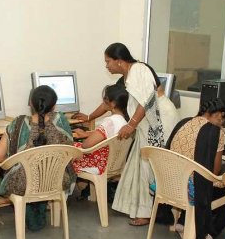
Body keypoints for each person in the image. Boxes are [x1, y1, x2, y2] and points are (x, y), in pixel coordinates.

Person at [74, 42, 179, 226]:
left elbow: (147, 100)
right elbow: (109, 102)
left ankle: (151, 213)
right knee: (141, 165)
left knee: (150, 165)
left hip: (159, 119)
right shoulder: (126, 76)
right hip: (146, 122)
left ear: (119, 61)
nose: (106, 66)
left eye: (108, 61)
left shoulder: (138, 70)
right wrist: (90, 116)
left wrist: (131, 124)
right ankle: (146, 210)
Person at [0, 85, 76, 231]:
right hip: (57, 180)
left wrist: (14, 161)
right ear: (54, 105)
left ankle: (31, 214)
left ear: (30, 103)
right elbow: (71, 150)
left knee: (6, 170)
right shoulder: (61, 121)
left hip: (23, 185)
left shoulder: (17, 124)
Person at [165, 98, 225, 239]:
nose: (223, 120)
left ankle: (183, 222)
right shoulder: (215, 132)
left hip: (169, 184)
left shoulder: (184, 122)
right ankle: (208, 233)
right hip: (192, 191)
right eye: (223, 117)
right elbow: (214, 171)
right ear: (219, 114)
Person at [72, 84, 129, 175]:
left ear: (113, 103)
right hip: (115, 164)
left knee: (68, 150)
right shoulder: (125, 123)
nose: (103, 101)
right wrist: (86, 134)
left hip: (100, 164)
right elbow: (107, 135)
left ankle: (74, 187)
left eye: (105, 99)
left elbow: (86, 145)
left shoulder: (109, 122)